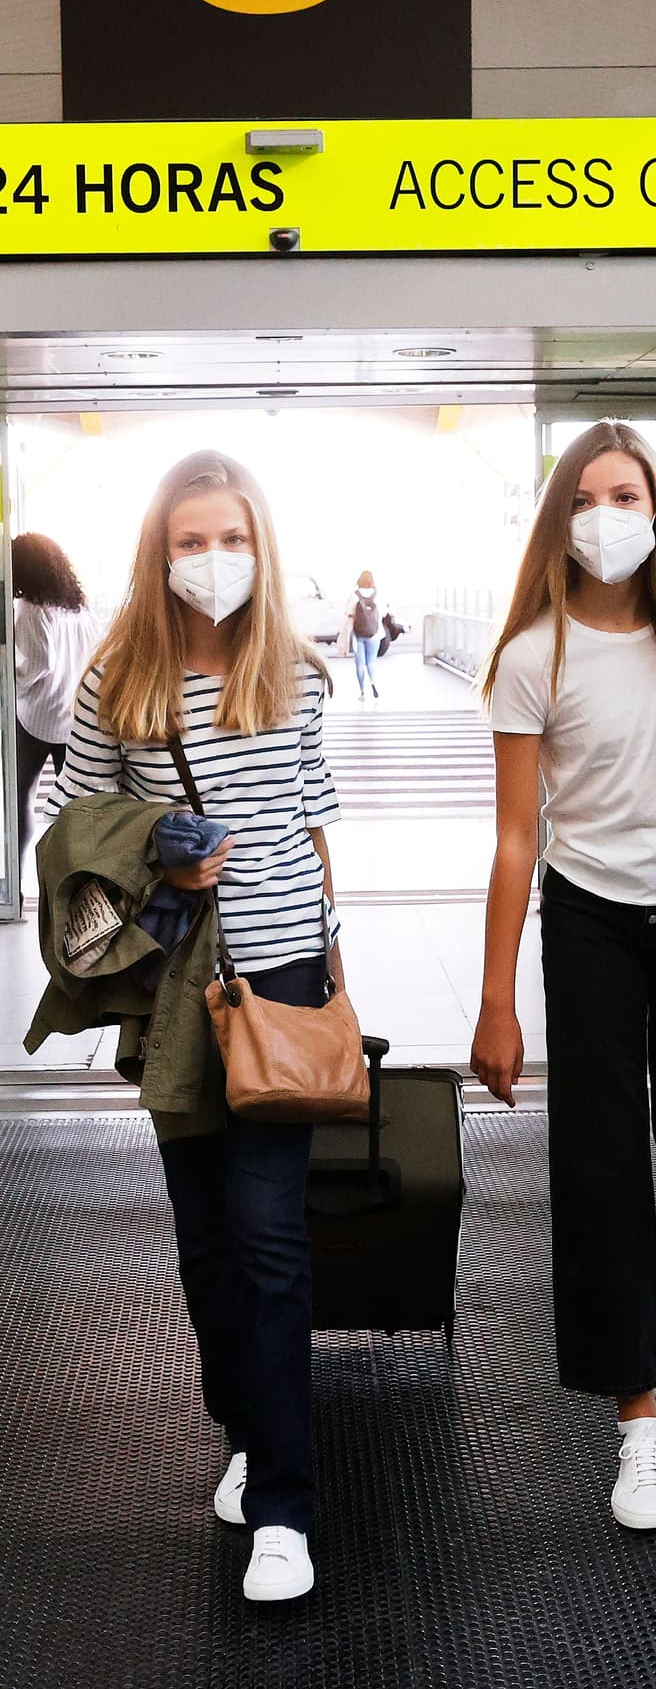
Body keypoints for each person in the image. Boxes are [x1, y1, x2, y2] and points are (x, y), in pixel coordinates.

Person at [42, 451, 341, 1605]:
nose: (211, 559)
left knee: (268, 1237)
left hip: (279, 985)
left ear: (259, 545)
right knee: (207, 1240)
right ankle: (246, 1424)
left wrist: (324, 963)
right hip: (171, 991)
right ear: (158, 555)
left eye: (230, 537)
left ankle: (283, 1502)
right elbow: (69, 823)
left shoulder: (300, 675)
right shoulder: (118, 680)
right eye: (189, 540)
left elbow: (315, 824)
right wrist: (157, 838)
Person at [471, 421, 656, 1531]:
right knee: (597, 1159)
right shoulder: (527, 657)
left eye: (630, 496)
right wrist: (497, 998)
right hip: (590, 913)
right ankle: (635, 1422)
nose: (611, 515)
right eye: (590, 496)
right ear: (562, 517)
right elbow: (515, 838)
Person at [11, 532, 101, 877]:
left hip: (37, 718)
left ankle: (15, 883)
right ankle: (78, 882)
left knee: (20, 800)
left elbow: (35, 668)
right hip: (75, 718)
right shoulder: (79, 606)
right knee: (76, 807)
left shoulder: (30, 610)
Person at [347, 570, 382, 698]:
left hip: (358, 633)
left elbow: (349, 613)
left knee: (360, 663)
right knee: (372, 661)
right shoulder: (377, 594)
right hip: (375, 633)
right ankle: (373, 682)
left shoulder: (354, 595)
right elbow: (383, 613)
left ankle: (362, 691)